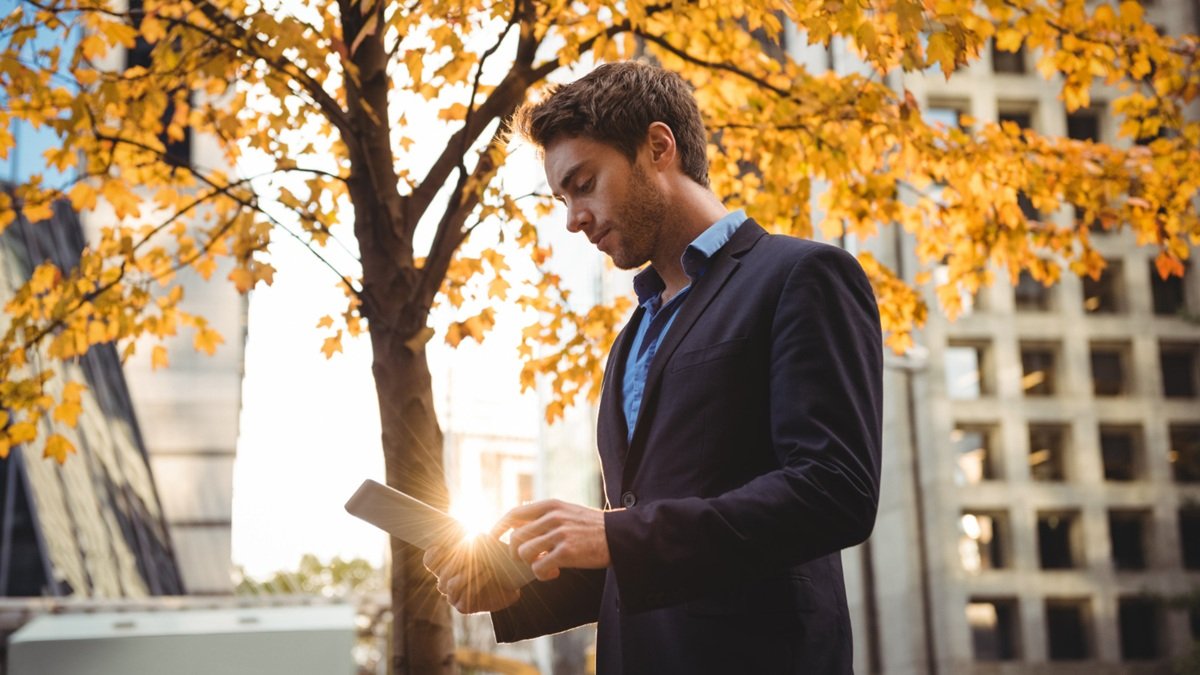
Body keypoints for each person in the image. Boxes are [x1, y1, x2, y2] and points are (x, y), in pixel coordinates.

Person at [424, 60, 883, 674]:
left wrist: (614, 534)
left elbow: (834, 492)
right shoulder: (630, 340)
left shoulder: (802, 277)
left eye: (583, 183)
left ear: (659, 147)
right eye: (562, 198)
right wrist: (520, 591)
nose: (572, 218)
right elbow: (653, 556)